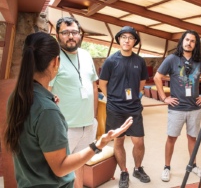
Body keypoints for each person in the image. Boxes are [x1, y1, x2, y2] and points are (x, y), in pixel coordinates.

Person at [3, 32, 133, 187]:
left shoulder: (18, 97)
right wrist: (99, 144)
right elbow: (61, 168)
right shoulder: (46, 111)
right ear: (55, 62)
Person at [153, 30, 201, 182]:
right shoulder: (172, 59)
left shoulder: (200, 60)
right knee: (171, 138)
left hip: (195, 108)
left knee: (192, 138)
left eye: (192, 41)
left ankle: (193, 165)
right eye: (187, 40)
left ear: (196, 44)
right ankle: (167, 167)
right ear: (182, 41)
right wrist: (163, 97)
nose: (189, 43)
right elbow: (157, 77)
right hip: (176, 108)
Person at [48, 16, 99, 188]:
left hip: (88, 124)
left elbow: (93, 87)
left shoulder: (86, 55)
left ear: (80, 35)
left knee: (80, 165)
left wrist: (93, 118)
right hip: (65, 127)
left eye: (74, 32)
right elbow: (46, 92)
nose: (71, 36)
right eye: (65, 32)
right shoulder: (53, 59)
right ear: (57, 36)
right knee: (60, 171)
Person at [99, 26, 149, 188]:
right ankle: (124, 171)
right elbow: (102, 84)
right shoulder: (111, 61)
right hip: (115, 109)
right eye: (124, 37)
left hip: (134, 108)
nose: (127, 40)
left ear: (135, 41)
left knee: (139, 142)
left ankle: (137, 168)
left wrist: (138, 96)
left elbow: (142, 83)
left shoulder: (139, 61)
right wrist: (112, 99)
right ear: (119, 40)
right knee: (118, 142)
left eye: (130, 37)